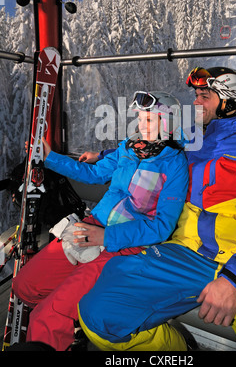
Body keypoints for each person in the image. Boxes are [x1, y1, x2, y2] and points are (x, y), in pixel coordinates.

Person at [77, 66, 236, 352]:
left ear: (228, 101)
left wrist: (235, 280)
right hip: (182, 253)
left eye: (204, 96)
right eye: (195, 95)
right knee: (99, 316)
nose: (195, 102)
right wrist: (104, 156)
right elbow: (147, 146)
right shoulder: (187, 139)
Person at [12, 91, 189, 351]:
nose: (141, 125)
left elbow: (161, 226)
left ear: (169, 123)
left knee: (46, 320)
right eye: (139, 118)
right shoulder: (129, 148)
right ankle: (73, 319)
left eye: (149, 120)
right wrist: (50, 157)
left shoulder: (175, 165)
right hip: (91, 227)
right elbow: (94, 173)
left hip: (124, 245)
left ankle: (61, 323)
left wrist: (106, 238)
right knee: (24, 286)